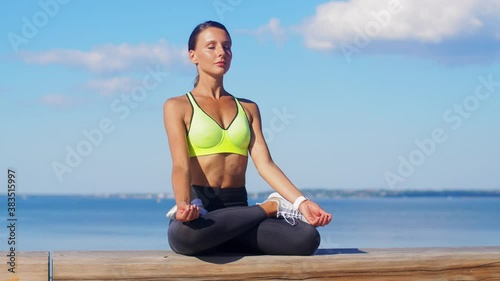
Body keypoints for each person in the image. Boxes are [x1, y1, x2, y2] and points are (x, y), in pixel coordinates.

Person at [163, 20, 332, 256]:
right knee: (185, 237)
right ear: (193, 56)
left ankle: (243, 224)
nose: (222, 52)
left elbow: (265, 164)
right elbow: (180, 165)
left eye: (227, 46)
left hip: (238, 206)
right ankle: (268, 209)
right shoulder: (177, 106)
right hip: (201, 211)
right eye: (211, 47)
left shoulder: (248, 108)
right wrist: (183, 204)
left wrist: (300, 202)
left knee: (306, 238)